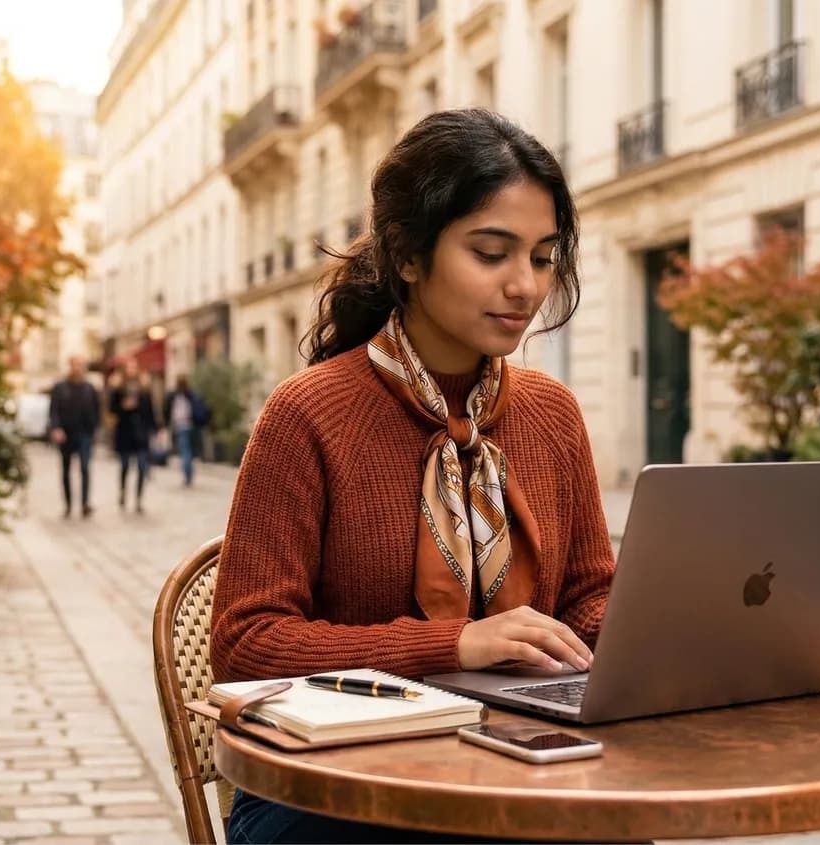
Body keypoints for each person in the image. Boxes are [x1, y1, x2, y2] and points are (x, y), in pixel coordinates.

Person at [209, 109, 614, 844]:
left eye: (544, 256)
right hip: (335, 786)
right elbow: (247, 642)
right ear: (408, 256)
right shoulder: (308, 415)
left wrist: (645, 636)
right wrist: (456, 645)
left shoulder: (552, 415)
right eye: (492, 252)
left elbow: (589, 596)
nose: (525, 285)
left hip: (519, 759)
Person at [46, 356, 100, 518]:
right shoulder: (60, 387)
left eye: (80, 365)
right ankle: (68, 505)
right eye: (74, 365)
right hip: (66, 434)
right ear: (70, 366)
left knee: (84, 468)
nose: (77, 368)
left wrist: (94, 429)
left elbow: (96, 410)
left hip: (84, 433)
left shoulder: (89, 388)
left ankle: (84, 504)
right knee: (66, 470)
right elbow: (53, 410)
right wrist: (56, 428)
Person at [108, 358, 156, 513]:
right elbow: (111, 409)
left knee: (142, 467)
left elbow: (150, 410)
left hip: (141, 433)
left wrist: (154, 429)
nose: (132, 370)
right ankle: (123, 492)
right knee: (125, 466)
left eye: (134, 367)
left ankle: (138, 499)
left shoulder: (144, 388)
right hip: (124, 433)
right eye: (129, 367)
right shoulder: (118, 388)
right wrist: (123, 407)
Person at [161, 375, 209, 487]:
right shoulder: (191, 394)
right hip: (192, 426)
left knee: (186, 452)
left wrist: (166, 423)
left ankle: (188, 476)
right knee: (190, 451)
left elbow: (167, 411)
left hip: (182, 426)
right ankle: (189, 475)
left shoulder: (175, 395)